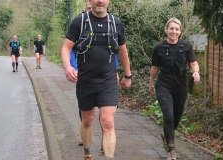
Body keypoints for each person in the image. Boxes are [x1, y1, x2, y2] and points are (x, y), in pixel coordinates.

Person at [61, 0, 132, 159]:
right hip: (85, 81)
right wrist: (68, 67)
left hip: (108, 82)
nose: (100, 1)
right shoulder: (79, 22)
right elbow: (67, 47)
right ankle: (87, 153)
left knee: (107, 122)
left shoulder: (116, 23)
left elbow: (122, 50)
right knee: (88, 120)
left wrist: (128, 75)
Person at [149, 18, 200, 160]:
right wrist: (151, 83)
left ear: (180, 31)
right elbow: (154, 67)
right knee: (168, 116)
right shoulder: (159, 47)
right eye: (171, 28)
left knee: (175, 119)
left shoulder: (186, 46)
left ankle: (167, 134)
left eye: (177, 29)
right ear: (166, 30)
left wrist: (195, 72)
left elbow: (194, 63)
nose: (174, 31)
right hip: (163, 86)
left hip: (181, 88)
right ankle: (172, 151)